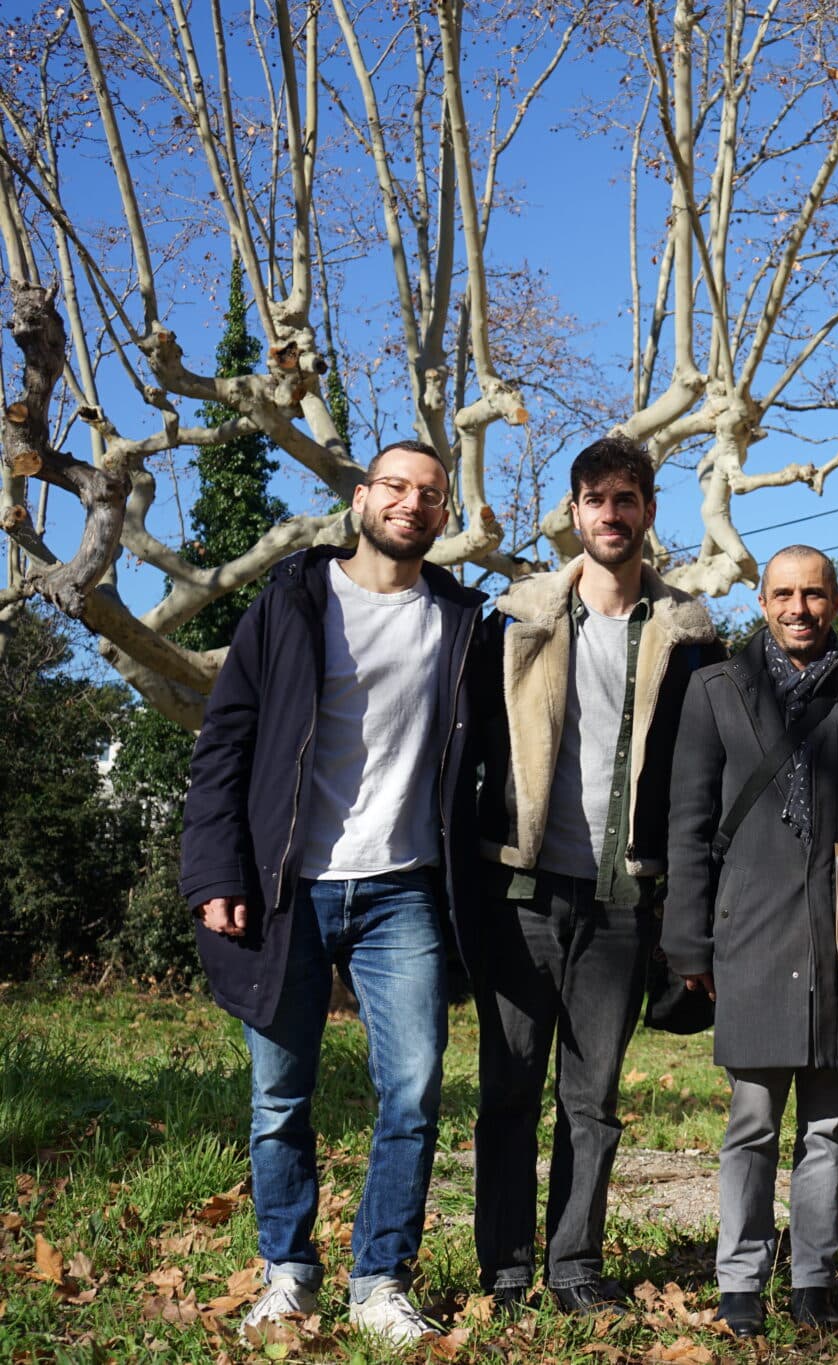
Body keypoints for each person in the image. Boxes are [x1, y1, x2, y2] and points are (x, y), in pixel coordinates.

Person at [180, 440, 487, 1344]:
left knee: (416, 1089)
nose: (412, 503)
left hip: (403, 891)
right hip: (288, 889)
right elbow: (223, 747)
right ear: (362, 498)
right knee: (280, 1094)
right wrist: (214, 871)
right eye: (396, 486)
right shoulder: (290, 604)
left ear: (442, 514)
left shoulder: (463, 620)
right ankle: (290, 1272)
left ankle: (380, 1279)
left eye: (431, 493)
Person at [469, 437, 723, 1314]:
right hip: (524, 892)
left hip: (623, 900)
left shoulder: (690, 637)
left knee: (594, 1100)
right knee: (509, 1090)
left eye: (626, 498)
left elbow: (706, 781)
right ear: (572, 512)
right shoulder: (515, 619)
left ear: (650, 510)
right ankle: (503, 1268)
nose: (611, 514)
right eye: (595, 499)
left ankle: (574, 1265)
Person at [664, 545, 838, 1338]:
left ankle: (814, 1278)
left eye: (813, 594)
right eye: (783, 593)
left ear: (837, 601)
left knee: (828, 1130)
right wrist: (689, 945)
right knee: (751, 1123)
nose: (798, 608)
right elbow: (688, 826)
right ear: (759, 599)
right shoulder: (715, 690)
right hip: (748, 937)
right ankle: (739, 1280)